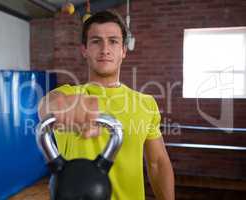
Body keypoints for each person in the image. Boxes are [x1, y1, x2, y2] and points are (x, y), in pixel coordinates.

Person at [38, 10, 175, 200]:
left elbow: (158, 163)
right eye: (96, 41)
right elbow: (48, 105)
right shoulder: (69, 94)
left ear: (123, 50)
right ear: (84, 49)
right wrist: (62, 106)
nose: (105, 49)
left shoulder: (146, 103)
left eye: (113, 41)